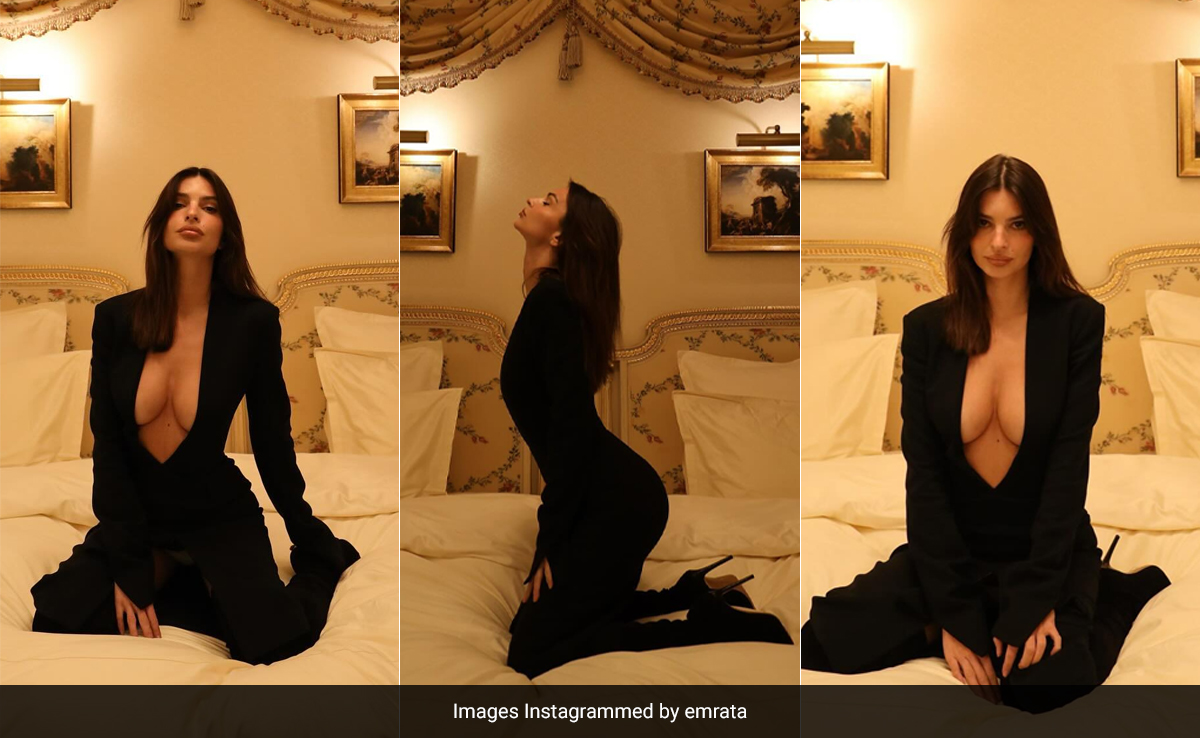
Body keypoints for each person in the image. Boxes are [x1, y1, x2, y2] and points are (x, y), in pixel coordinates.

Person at [800, 154, 1171, 712]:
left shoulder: (1076, 322)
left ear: (1038, 232)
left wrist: (1037, 602)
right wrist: (955, 618)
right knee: (825, 640)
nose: (999, 242)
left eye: (1016, 224)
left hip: (1043, 549)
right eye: (984, 223)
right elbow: (926, 480)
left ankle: (1111, 592)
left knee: (1043, 689)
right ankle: (950, 621)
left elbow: (1067, 472)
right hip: (954, 549)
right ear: (965, 231)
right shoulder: (927, 329)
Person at [29, 167, 360, 665]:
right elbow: (109, 445)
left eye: (209, 207)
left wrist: (307, 533)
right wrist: (130, 565)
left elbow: (271, 439)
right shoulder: (116, 318)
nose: (192, 214)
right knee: (56, 616)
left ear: (224, 234)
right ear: (161, 225)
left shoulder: (253, 322)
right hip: (139, 514)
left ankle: (283, 576)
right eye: (180, 204)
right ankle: (180, 575)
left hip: (216, 512)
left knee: (276, 645)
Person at [501, 179, 794, 679]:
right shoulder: (549, 298)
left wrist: (551, 538)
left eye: (548, 202)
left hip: (614, 504)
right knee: (533, 624)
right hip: (603, 495)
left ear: (561, 237)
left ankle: (713, 624)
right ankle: (693, 592)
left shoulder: (555, 301)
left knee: (531, 653)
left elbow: (571, 430)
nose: (531, 200)